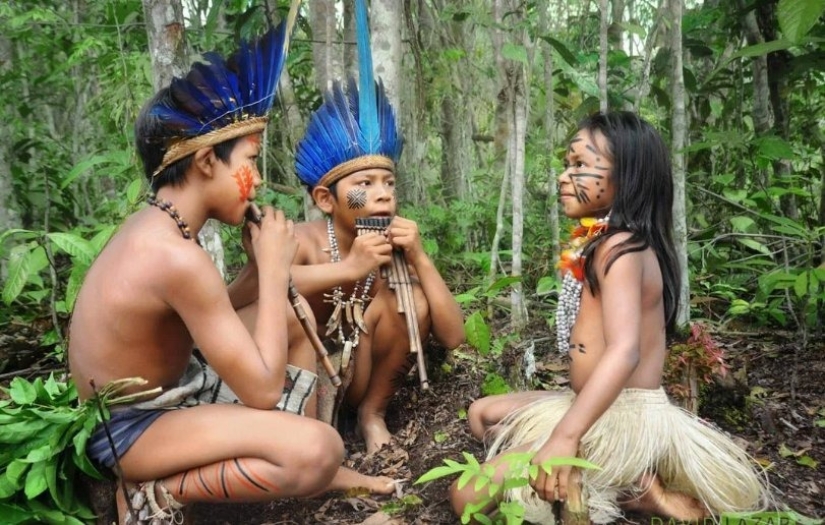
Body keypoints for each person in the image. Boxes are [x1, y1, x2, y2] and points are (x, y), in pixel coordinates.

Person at [68, 10, 390, 525]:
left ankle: (290, 466)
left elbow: (216, 306)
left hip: (167, 393)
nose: (257, 179)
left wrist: (262, 274)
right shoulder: (176, 256)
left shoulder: (158, 227)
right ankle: (158, 491)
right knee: (316, 449)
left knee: (286, 315)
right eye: (250, 160)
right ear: (204, 163)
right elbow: (262, 391)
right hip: (130, 429)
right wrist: (270, 261)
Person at [449, 112, 771, 523]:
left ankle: (628, 482)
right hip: (590, 401)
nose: (565, 176)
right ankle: (632, 483)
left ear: (627, 177)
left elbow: (624, 352)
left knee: (464, 498)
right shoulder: (609, 241)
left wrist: (565, 435)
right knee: (482, 413)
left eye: (581, 165)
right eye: (568, 164)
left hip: (621, 414)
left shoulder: (620, 247)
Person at [288, 0, 465, 454]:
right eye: (365, 184)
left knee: (413, 301)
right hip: (301, 386)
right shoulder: (303, 240)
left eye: (389, 181)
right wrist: (349, 268)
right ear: (326, 199)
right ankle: (313, 442)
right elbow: (264, 291)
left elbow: (455, 338)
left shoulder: (396, 247)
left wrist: (420, 257)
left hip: (361, 378)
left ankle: (372, 415)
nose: (383, 193)